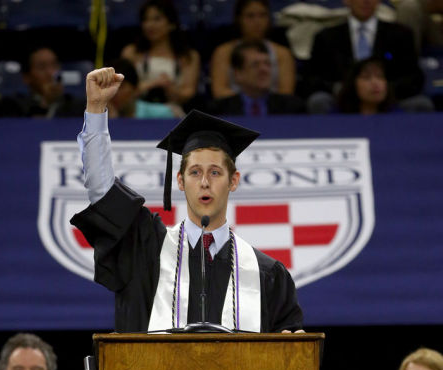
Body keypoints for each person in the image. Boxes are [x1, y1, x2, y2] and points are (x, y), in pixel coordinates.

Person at [70, 67, 303, 333]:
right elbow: (102, 192)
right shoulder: (145, 249)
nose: (205, 181)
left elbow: (293, 349)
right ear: (180, 181)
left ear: (234, 180)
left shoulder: (268, 274)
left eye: (215, 172)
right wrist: (97, 109)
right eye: (195, 172)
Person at [302, 0, 432, 114]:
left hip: (389, 102)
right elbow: (311, 78)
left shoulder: (401, 34)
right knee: (319, 101)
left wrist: (384, 89)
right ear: (347, 0)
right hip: (341, 103)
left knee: (420, 104)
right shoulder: (326, 37)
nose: (366, 1)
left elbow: (414, 77)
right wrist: (341, 89)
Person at [120, 0, 201, 108]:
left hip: (174, 113)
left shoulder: (189, 56)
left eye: (156, 19)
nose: (149, 25)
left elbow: (188, 93)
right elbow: (121, 91)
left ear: (171, 24)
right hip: (136, 113)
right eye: (145, 20)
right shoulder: (131, 52)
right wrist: (149, 85)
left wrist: (170, 89)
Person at [209, 0, 296, 99]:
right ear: (239, 19)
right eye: (250, 16)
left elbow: (286, 93)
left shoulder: (283, 53)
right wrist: (249, 102)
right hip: (233, 111)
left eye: (262, 15)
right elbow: (219, 91)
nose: (257, 21)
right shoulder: (223, 52)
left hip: (273, 111)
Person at [209, 40, 305, 116]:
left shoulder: (292, 108)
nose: (264, 70)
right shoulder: (219, 111)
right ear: (238, 74)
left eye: (267, 64)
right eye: (255, 65)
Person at [0, 47, 85, 118]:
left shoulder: (77, 106)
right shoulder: (14, 106)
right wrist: (45, 104)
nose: (51, 73)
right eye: (42, 67)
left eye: (54, 65)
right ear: (26, 77)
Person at [107, 59, 184, 118]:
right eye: (108, 86)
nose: (114, 92)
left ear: (135, 88)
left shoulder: (164, 113)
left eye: (121, 87)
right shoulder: (98, 117)